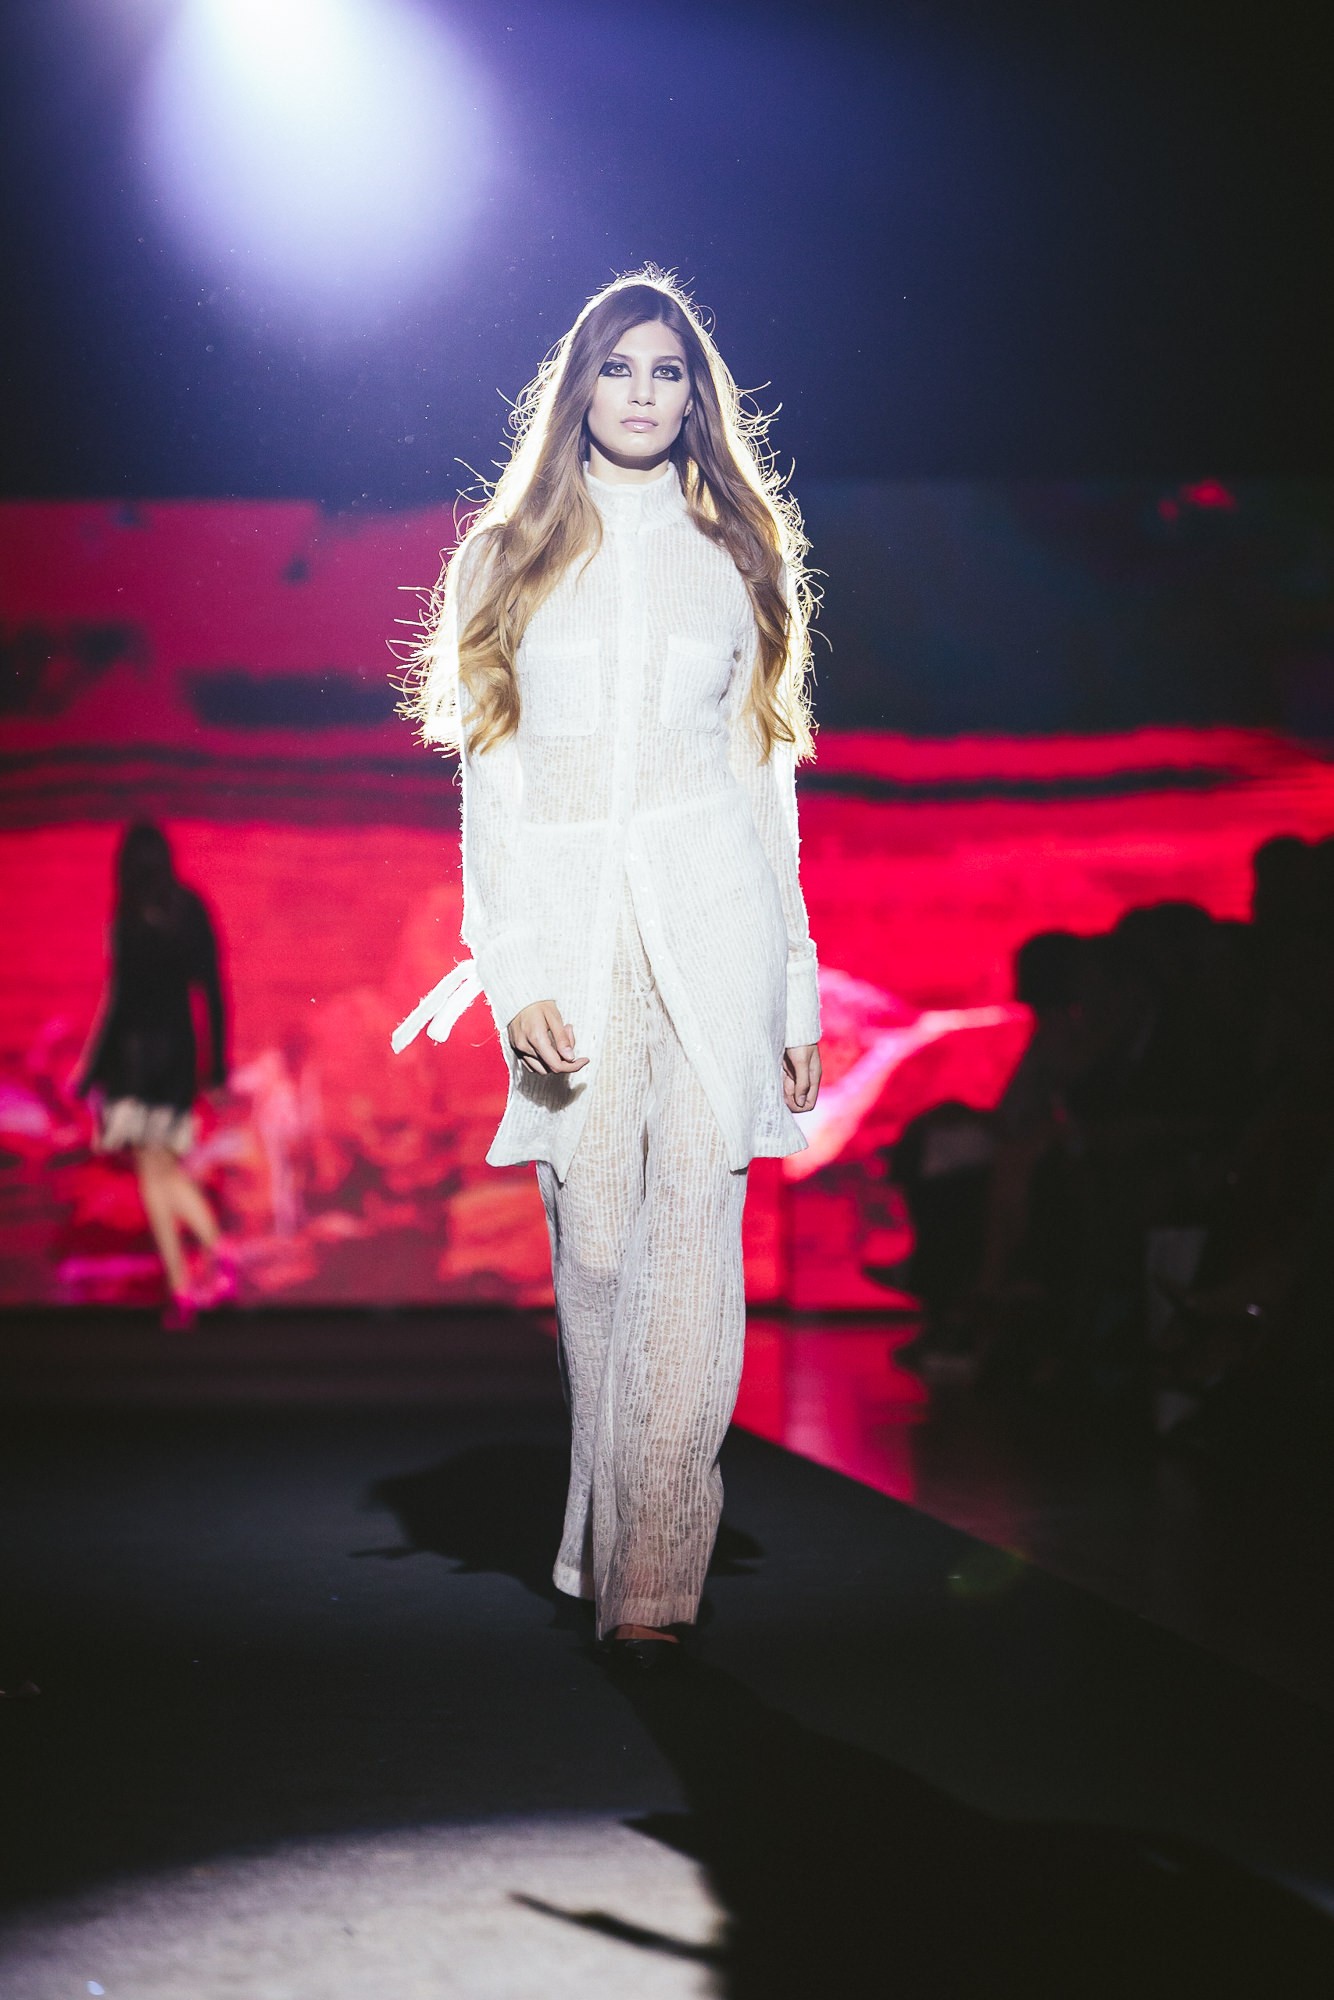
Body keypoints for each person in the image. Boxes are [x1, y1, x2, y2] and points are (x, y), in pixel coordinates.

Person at [396, 269, 823, 1669]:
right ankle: (601, 1531)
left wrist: (796, 984)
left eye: (668, 371)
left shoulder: (737, 546)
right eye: (621, 368)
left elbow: (763, 782)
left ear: (695, 398)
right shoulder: (505, 552)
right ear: (579, 388)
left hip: (716, 924)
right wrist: (512, 967)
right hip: (571, 935)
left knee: (693, 1232)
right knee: (593, 1249)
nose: (644, 392)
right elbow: (492, 789)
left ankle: (652, 1575)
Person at [79, 822, 233, 1330]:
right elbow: (213, 992)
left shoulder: (126, 918)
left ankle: (204, 1263)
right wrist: (217, 1066)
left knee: (154, 1176)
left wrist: (92, 1073)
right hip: (177, 1062)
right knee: (159, 1172)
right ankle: (189, 1281)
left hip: (134, 1063)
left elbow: (119, 1002)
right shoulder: (191, 910)